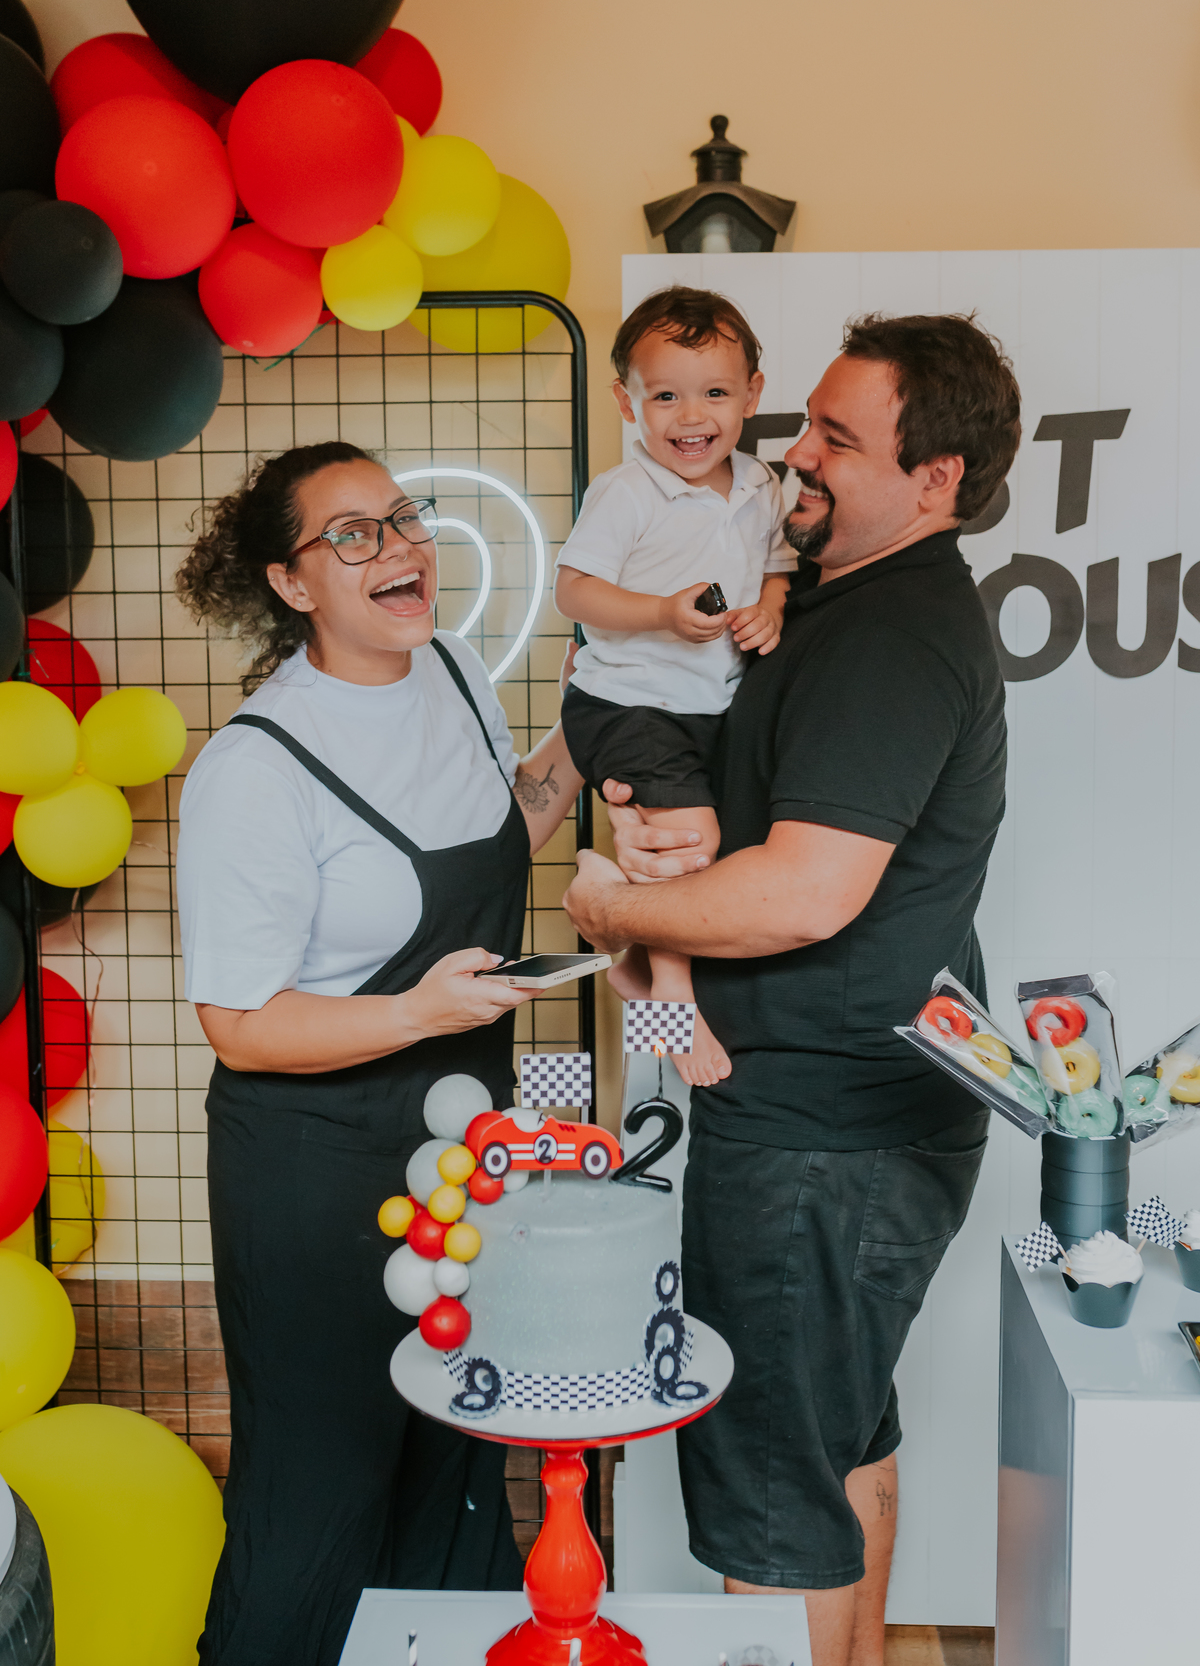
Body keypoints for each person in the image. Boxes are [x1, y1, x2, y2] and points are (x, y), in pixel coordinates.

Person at [564, 314, 1020, 1666]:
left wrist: (610, 905)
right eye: (805, 422)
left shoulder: (895, 636)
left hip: (830, 1133)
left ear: (936, 478)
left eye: (837, 436)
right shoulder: (817, 587)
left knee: (774, 1493)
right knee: (836, 1439)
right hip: (847, 1111)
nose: (795, 454)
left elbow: (806, 894)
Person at [173, 441, 584, 1666]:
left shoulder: (450, 669)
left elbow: (503, 819)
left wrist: (600, 723)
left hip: (457, 1156)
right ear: (291, 584)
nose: (399, 548)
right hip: (313, 1174)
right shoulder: (253, 768)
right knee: (321, 1489)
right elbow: (239, 1022)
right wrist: (418, 1012)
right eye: (351, 534)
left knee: (451, 1465)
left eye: (403, 519)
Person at [555, 286, 795, 1082]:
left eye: (716, 393)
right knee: (690, 841)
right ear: (627, 402)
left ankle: (631, 956)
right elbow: (576, 593)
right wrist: (660, 611)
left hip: (708, 708)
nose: (692, 418)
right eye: (666, 396)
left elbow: (778, 570)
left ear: (753, 394)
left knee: (698, 851)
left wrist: (769, 607)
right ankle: (673, 1000)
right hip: (626, 700)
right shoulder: (626, 493)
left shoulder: (763, 486)